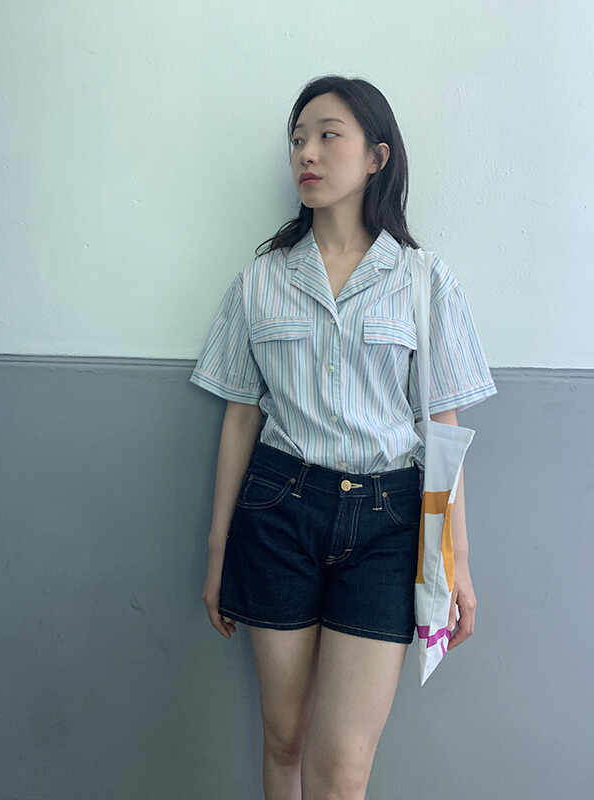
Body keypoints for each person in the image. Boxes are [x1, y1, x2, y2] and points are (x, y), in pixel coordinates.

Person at [190, 75, 497, 800]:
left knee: (341, 773)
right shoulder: (260, 281)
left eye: (329, 135)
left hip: (389, 524)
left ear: (377, 157)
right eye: (298, 139)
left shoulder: (424, 281)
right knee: (284, 741)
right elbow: (241, 417)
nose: (307, 152)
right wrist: (218, 551)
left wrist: (455, 561)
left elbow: (442, 426)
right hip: (278, 511)